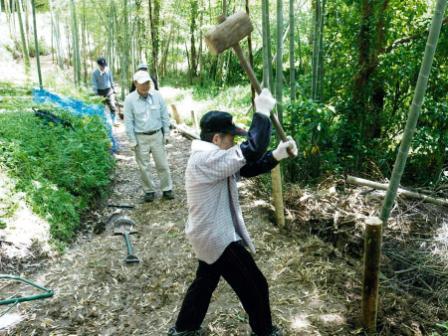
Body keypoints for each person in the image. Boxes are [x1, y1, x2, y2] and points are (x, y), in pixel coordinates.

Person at [168, 89, 298, 336]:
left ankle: (184, 328)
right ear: (216, 139)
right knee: (255, 285)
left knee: (205, 282)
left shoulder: (212, 157)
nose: (234, 143)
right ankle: (264, 331)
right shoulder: (206, 159)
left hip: (206, 233)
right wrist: (262, 112)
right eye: (231, 138)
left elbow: (247, 168)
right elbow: (253, 148)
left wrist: (278, 154)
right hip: (217, 237)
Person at [124, 70, 174, 202]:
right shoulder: (129, 100)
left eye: (147, 82)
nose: (145, 86)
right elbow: (128, 122)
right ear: (135, 83)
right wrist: (132, 140)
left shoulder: (157, 96)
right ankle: (149, 191)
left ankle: (167, 189)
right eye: (142, 83)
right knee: (144, 167)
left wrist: (166, 133)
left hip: (157, 135)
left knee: (162, 164)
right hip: (140, 137)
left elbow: (164, 115)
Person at [92, 57, 119, 126]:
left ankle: (114, 121)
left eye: (104, 65)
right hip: (100, 92)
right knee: (101, 107)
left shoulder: (108, 71)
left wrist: (114, 89)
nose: (103, 67)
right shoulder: (95, 73)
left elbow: (111, 80)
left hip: (109, 91)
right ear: (98, 65)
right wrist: (96, 93)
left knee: (112, 105)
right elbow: (94, 84)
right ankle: (103, 122)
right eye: (101, 66)